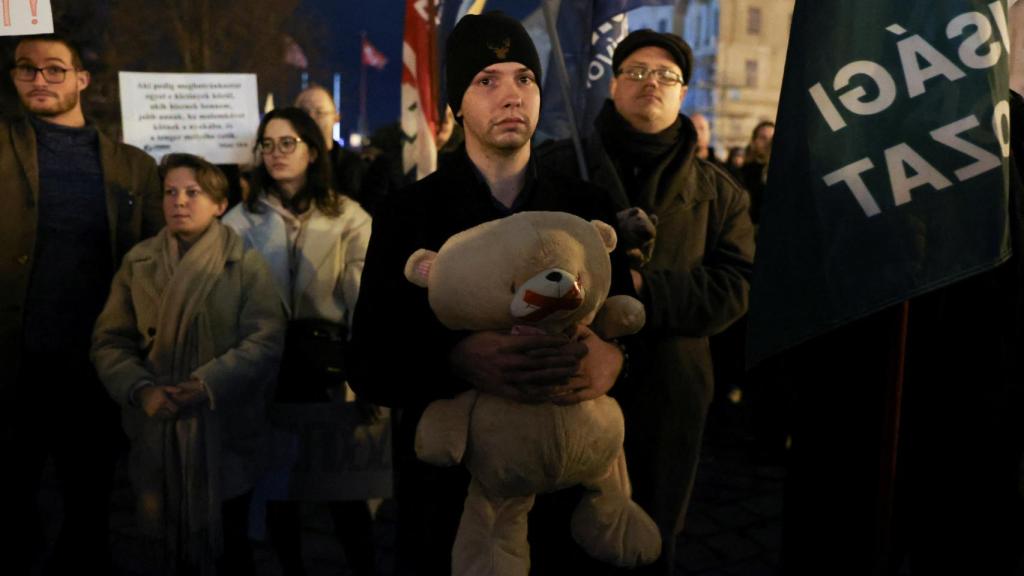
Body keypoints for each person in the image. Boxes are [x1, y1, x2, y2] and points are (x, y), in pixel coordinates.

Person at [349, 12, 633, 576]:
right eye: (488, 80)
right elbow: (369, 360)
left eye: (524, 77)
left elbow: (625, 317)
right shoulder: (410, 213)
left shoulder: (586, 204)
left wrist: (615, 359)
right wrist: (455, 359)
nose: (511, 96)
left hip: (566, 490)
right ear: (458, 102)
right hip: (450, 501)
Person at [537, 29, 755, 575]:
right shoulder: (560, 167)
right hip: (566, 385)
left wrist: (643, 291)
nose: (649, 83)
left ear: (684, 93)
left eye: (665, 75)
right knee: (559, 539)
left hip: (669, 395)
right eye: (635, 71)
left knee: (649, 541)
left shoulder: (719, 191)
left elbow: (735, 287)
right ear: (613, 85)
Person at [0, 33, 164, 573]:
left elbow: (155, 260)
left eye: (53, 69)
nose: (39, 79)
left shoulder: (135, 167)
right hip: (13, 362)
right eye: (26, 68)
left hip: (95, 365)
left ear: (81, 80)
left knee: (89, 505)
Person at [91, 153, 285, 574]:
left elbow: (266, 338)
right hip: (156, 429)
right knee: (159, 545)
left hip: (224, 431)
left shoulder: (244, 263)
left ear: (219, 204)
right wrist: (141, 389)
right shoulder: (138, 263)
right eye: (170, 192)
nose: (179, 201)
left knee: (231, 546)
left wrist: (206, 384)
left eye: (193, 192)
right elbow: (110, 341)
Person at [223, 107, 376, 576]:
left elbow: (361, 300)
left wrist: (366, 373)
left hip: (328, 368)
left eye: (287, 143)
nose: (275, 154)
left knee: (343, 490)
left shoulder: (348, 216)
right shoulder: (238, 221)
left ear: (312, 150)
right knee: (277, 489)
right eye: (266, 145)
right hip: (266, 370)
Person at [294, 84, 371, 211]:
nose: (311, 118)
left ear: (336, 118)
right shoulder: (281, 163)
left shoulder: (356, 169)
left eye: (319, 112)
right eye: (304, 112)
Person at [741, 120, 774, 224]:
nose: (768, 143)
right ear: (754, 141)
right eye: (763, 138)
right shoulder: (744, 172)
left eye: (772, 138)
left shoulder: (784, 171)